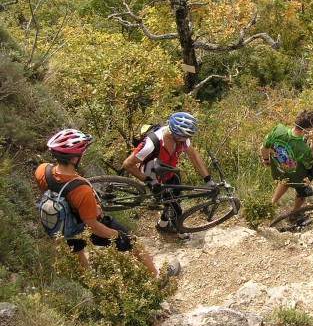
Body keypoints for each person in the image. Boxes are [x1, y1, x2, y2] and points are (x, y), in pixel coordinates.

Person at [35, 129, 167, 281]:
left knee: (76, 247)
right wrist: (117, 235)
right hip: (85, 226)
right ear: (73, 159)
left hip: (65, 224)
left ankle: (89, 278)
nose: (83, 155)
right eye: (81, 153)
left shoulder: (42, 170)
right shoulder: (81, 189)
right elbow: (93, 226)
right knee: (133, 241)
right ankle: (157, 278)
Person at [122, 112, 215, 240]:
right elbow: (128, 164)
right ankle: (180, 231)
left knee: (176, 198)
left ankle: (162, 224)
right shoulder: (151, 143)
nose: (187, 139)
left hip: (170, 172)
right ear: (175, 133)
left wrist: (207, 179)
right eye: (185, 136)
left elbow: (194, 156)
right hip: (154, 176)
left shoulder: (181, 137)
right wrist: (149, 182)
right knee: (176, 209)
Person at [259, 109, 313, 212]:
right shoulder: (303, 149)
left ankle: (271, 205)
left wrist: (266, 160)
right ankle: (295, 212)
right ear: (307, 130)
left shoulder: (278, 130)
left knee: (285, 179)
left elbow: (263, 148)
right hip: (297, 178)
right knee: (303, 188)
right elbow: (310, 165)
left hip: (278, 171)